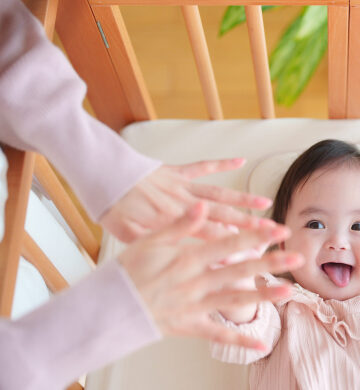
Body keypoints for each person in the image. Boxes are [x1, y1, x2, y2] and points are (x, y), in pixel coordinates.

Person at [0, 1, 304, 389]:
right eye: (314, 222)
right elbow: (255, 340)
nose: (339, 242)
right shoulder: (287, 303)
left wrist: (99, 161)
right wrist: (239, 293)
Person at [210, 140, 360, 389]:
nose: (337, 242)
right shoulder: (278, 300)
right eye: (315, 224)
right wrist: (237, 275)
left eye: (358, 226)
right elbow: (246, 332)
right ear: (283, 243)